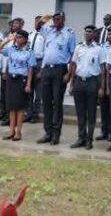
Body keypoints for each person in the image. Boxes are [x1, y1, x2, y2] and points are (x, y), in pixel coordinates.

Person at [36, 11, 75, 145]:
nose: (56, 21)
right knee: (46, 102)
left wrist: (69, 74)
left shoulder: (69, 33)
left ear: (64, 19)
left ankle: (56, 135)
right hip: (47, 69)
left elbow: (73, 55)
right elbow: (37, 27)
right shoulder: (49, 31)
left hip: (60, 70)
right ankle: (48, 133)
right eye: (54, 19)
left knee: (57, 103)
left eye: (58, 19)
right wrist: (44, 18)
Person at [69, 25, 109, 150]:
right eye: (86, 32)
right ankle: (81, 138)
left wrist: (102, 87)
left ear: (94, 34)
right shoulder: (78, 47)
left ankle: (89, 140)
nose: (87, 34)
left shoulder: (99, 49)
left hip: (92, 82)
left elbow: (103, 69)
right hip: (79, 81)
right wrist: (71, 84)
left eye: (90, 32)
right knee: (80, 112)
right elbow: (73, 65)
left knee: (91, 112)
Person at [0, 29, 34, 141]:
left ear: (25, 39)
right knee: (11, 107)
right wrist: (7, 40)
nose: (17, 39)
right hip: (11, 79)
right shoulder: (11, 49)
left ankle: (18, 132)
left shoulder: (29, 51)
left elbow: (30, 69)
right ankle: (11, 131)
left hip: (21, 80)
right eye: (16, 37)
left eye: (20, 37)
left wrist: (28, 84)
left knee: (20, 107)